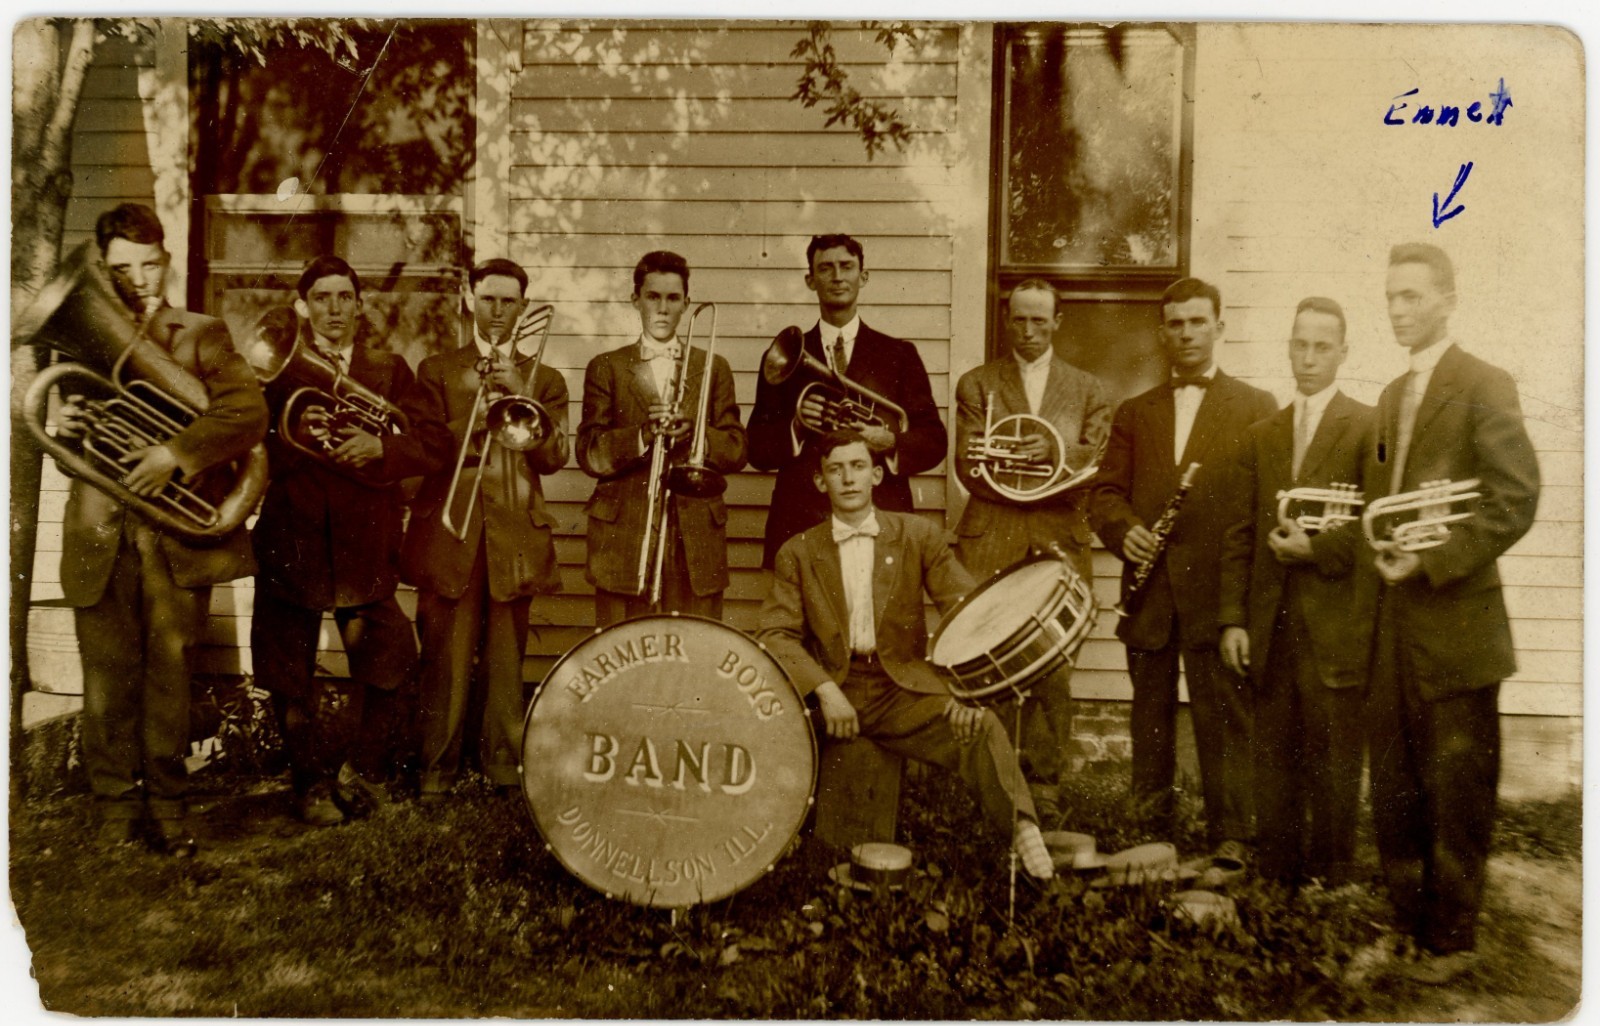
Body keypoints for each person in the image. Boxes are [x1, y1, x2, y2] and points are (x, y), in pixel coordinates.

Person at [53, 203, 268, 855]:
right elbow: (59, 412)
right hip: (101, 533)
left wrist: (174, 454)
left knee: (169, 679)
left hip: (173, 536)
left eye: (150, 264)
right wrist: (62, 424)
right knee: (105, 678)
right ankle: (115, 817)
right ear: (102, 269)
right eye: (121, 269)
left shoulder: (202, 334)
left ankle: (170, 815)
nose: (139, 279)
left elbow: (247, 415)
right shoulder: (72, 338)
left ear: (167, 260)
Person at [758, 428, 1056, 881]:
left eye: (858, 467)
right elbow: (776, 633)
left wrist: (964, 691)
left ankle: (1025, 836)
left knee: (979, 727)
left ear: (876, 474)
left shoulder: (918, 535)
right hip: (832, 695)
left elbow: (968, 613)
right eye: (835, 470)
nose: (848, 479)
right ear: (820, 482)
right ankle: (777, 842)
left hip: (901, 690)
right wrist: (822, 688)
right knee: (765, 737)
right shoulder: (798, 552)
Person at [1363, 243, 1539, 984]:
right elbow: (1380, 506)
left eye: (1412, 296)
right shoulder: (1387, 397)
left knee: (1458, 788)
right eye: (1391, 297)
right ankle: (1405, 925)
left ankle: (1453, 941)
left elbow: (1513, 498)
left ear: (1447, 299)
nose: (1398, 310)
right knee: (1398, 784)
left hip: (1459, 624)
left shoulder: (1484, 382)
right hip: (1395, 624)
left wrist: (1429, 559)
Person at [1086, 277, 1277, 862]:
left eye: (1198, 322)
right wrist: (1125, 532)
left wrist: (1238, 606)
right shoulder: (1134, 413)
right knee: (1149, 717)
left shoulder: (1256, 407)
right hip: (1150, 595)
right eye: (1176, 323)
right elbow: (1104, 495)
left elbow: (1259, 507)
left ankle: (1231, 838)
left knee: (1224, 719)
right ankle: (1149, 831)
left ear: (1221, 326)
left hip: (1218, 596)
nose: (1187, 333)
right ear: (1161, 331)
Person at [248, 256, 430, 825]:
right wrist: (294, 436)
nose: (333, 308)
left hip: (364, 538)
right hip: (293, 533)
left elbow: (432, 443)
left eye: (344, 296)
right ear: (304, 306)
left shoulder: (390, 368)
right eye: (321, 297)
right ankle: (309, 785)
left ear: (359, 305)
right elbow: (249, 447)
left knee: (392, 657)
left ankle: (360, 771)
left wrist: (384, 450)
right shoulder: (275, 372)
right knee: (286, 668)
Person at [1217, 296, 1375, 885]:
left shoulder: (1367, 425)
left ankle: (1331, 880)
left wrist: (1318, 549)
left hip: (1337, 623)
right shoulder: (1264, 432)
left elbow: (1379, 525)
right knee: (1274, 753)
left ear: (1343, 352)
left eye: (1322, 346)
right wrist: (1233, 619)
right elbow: (1239, 531)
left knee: (1334, 757)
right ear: (1288, 347)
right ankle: (1278, 876)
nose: (1308, 358)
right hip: (1271, 623)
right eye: (1299, 344)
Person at [399, 258, 569, 801]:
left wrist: (522, 389)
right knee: (444, 658)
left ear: (523, 306)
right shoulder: (437, 369)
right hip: (454, 529)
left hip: (514, 536)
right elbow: (421, 448)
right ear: (470, 300)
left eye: (509, 301)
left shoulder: (545, 376)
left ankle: (502, 770)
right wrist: (474, 416)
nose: (498, 311)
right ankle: (436, 774)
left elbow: (555, 457)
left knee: (505, 657)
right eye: (489, 299)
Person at [952, 279, 1110, 824]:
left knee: (1052, 668)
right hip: (991, 530)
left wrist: (1054, 450)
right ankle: (988, 780)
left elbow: (1098, 464)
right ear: (1006, 320)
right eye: (1019, 319)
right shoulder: (977, 383)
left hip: (1057, 537)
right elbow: (971, 467)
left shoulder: (1091, 390)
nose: (1028, 330)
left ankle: (1044, 783)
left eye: (1039, 320)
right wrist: (1036, 472)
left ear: (1058, 322)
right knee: (984, 661)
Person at [748, 234, 947, 568]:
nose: (837, 277)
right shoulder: (783, 356)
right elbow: (756, 448)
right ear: (810, 280)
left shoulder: (899, 355)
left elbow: (934, 440)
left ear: (863, 277)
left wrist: (890, 442)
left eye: (847, 267)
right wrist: (796, 427)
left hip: (881, 518)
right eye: (825, 268)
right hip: (803, 523)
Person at [576, 250, 746, 625]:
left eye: (673, 298)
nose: (663, 308)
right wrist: (643, 434)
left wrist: (696, 436)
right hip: (625, 537)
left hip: (695, 535)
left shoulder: (713, 366)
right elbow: (590, 454)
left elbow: (735, 448)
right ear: (635, 299)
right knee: (623, 652)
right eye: (653, 296)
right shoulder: (607, 367)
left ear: (687, 303)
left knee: (693, 654)